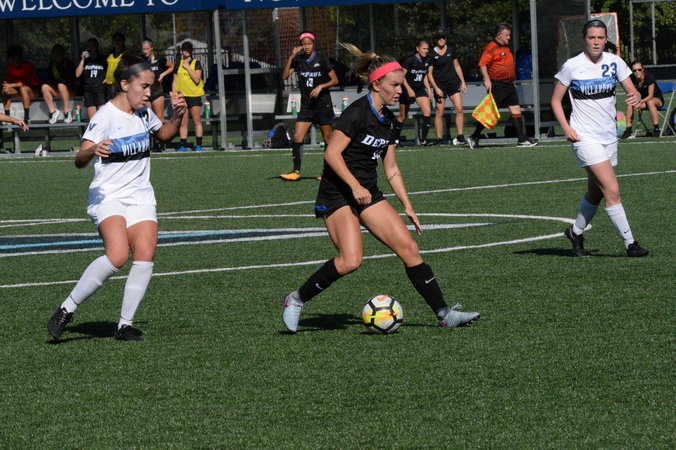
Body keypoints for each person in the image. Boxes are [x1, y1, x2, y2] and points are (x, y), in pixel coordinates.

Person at [281, 43, 480, 333]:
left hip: (367, 194)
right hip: (338, 194)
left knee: (409, 248)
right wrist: (354, 186)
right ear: (376, 84)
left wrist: (408, 205)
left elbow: (392, 169)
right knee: (351, 261)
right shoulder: (356, 113)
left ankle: (444, 313)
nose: (401, 91)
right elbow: (331, 154)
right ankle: (296, 299)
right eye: (395, 85)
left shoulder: (390, 122)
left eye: (402, 85)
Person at [46, 55, 187, 341]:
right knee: (118, 255)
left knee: (145, 254)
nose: (149, 93)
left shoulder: (144, 113)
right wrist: (92, 150)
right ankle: (67, 308)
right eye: (144, 87)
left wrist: (178, 116)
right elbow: (79, 159)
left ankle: (124, 325)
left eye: (151, 88)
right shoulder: (105, 116)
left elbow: (164, 135)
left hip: (140, 195)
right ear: (124, 84)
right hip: (108, 195)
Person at [551, 19, 649, 258]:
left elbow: (632, 90)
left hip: (609, 136)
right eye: (591, 37)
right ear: (584, 39)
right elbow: (555, 100)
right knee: (612, 190)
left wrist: (636, 97)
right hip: (584, 137)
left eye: (600, 37)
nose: (596, 42)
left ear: (606, 40)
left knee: (596, 192)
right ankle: (630, 244)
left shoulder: (615, 62)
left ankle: (575, 232)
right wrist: (566, 127)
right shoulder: (572, 66)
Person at [280, 31, 338, 181]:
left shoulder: (322, 59)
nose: (306, 47)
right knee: (298, 136)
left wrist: (321, 86)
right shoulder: (299, 60)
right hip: (307, 106)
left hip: (323, 104)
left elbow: (335, 80)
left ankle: (328, 173)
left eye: (309, 44)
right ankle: (296, 172)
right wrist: (291, 57)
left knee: (327, 138)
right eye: (304, 44)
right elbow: (285, 76)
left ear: (313, 44)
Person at [468, 22, 537, 148]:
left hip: (509, 85)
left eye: (509, 35)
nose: (509, 38)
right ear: (499, 35)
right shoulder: (491, 48)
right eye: (507, 35)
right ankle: (474, 136)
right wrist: (487, 80)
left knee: (516, 110)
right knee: (490, 113)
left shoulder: (505, 47)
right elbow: (482, 64)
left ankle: (522, 140)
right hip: (498, 85)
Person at [428, 29, 469, 146]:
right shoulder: (431, 54)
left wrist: (463, 82)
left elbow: (457, 66)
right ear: (436, 39)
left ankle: (460, 136)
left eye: (443, 37)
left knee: (459, 109)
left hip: (453, 83)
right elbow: (429, 73)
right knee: (439, 112)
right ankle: (439, 139)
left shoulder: (451, 50)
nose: (441, 39)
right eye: (439, 37)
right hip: (440, 85)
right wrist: (435, 88)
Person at [396, 39, 433, 146]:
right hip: (406, 89)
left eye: (427, 49)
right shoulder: (410, 60)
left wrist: (428, 88)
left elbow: (424, 75)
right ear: (417, 48)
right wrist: (409, 89)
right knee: (403, 117)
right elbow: (401, 76)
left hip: (419, 89)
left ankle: (423, 140)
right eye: (423, 49)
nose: (426, 51)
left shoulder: (428, 59)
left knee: (427, 112)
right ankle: (395, 139)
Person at [172, 41, 204, 152]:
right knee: (183, 122)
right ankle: (183, 145)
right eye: (183, 49)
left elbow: (197, 79)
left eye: (187, 49)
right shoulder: (178, 64)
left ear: (191, 51)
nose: (185, 52)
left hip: (194, 95)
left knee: (196, 121)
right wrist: (174, 95)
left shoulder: (196, 63)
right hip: (182, 96)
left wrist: (188, 68)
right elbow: (175, 81)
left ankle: (199, 145)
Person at [620, 60, 664, 138]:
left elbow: (650, 96)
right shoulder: (631, 78)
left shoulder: (649, 77)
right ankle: (628, 130)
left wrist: (640, 102)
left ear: (643, 69)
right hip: (643, 102)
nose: (637, 72)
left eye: (639, 69)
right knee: (630, 103)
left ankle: (656, 129)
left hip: (656, 99)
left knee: (650, 102)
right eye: (634, 70)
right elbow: (631, 94)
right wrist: (636, 102)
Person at [2, 45, 40, 125]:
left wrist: (11, 85)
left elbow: (23, 84)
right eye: (14, 59)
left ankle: (26, 118)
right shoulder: (11, 67)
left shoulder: (27, 66)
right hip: (20, 93)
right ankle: (7, 117)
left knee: (23, 89)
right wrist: (6, 85)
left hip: (33, 92)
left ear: (21, 58)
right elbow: (8, 81)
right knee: (6, 90)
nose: (16, 61)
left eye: (18, 58)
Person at [41, 44, 77, 124]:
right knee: (44, 87)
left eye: (59, 52)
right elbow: (49, 79)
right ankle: (53, 112)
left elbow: (69, 78)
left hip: (70, 90)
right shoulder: (52, 64)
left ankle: (67, 112)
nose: (57, 54)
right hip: (58, 90)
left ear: (63, 53)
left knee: (61, 85)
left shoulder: (69, 63)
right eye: (55, 52)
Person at [141, 38, 174, 124]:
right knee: (148, 118)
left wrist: (163, 74)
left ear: (152, 48)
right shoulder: (141, 60)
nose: (145, 51)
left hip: (157, 91)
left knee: (159, 118)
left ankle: (161, 133)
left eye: (147, 49)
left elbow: (172, 66)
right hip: (145, 92)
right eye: (143, 49)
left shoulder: (159, 58)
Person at [76, 38, 108, 121]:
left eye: (92, 46)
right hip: (88, 90)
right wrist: (83, 59)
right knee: (93, 119)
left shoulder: (103, 58)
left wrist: (107, 79)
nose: (90, 48)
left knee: (102, 116)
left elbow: (110, 71)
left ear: (96, 47)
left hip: (100, 89)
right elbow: (77, 74)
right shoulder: (86, 60)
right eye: (88, 46)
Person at [104, 32, 126, 101]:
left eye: (119, 40)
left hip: (118, 82)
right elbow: (106, 66)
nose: (117, 42)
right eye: (115, 40)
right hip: (108, 82)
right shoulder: (110, 54)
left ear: (122, 42)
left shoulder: (125, 54)